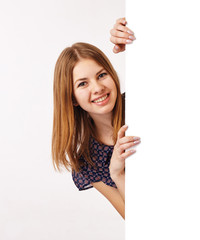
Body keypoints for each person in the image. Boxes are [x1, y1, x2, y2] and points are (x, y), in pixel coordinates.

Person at [52, 18, 138, 219]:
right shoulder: (87, 163)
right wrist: (117, 173)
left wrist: (135, 36)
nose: (98, 88)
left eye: (101, 75)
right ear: (71, 98)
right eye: (83, 84)